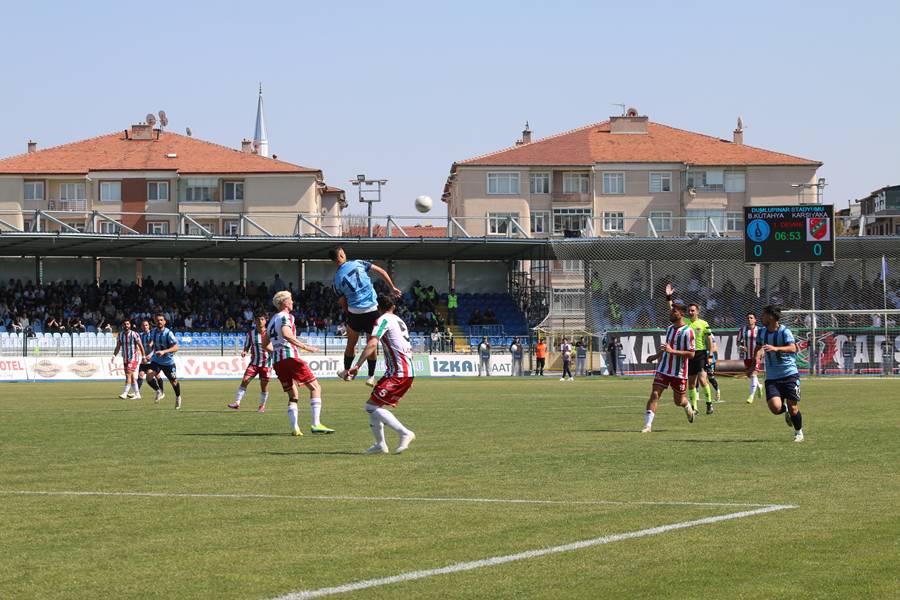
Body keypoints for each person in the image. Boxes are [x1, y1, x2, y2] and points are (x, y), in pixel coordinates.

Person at [348, 295, 416, 455]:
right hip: (401, 371)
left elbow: (372, 342)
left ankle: (404, 433)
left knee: (370, 406)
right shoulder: (400, 321)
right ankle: (380, 445)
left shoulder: (383, 320)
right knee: (374, 406)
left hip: (399, 372)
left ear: (378, 307)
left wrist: (357, 365)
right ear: (393, 306)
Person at [264, 290, 334, 436]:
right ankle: (316, 424)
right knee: (315, 387)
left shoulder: (271, 321)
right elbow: (287, 334)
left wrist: (277, 352)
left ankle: (295, 428)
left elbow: (265, 344)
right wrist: (307, 347)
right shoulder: (286, 317)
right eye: (290, 299)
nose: (292, 302)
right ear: (284, 302)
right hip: (290, 357)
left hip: (278, 361)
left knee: (293, 394)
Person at [329, 246, 401, 387]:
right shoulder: (358, 263)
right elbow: (382, 271)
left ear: (334, 260)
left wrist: (349, 312)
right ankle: (371, 376)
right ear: (342, 255)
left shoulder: (336, 280)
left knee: (351, 344)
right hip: (372, 310)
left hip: (355, 313)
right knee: (371, 343)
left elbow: (342, 301)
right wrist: (392, 287)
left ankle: (347, 372)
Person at [642, 300, 697, 433]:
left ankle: (687, 405)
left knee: (678, 401)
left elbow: (691, 354)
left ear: (681, 314)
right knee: (655, 394)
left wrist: (673, 351)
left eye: (675, 311)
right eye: (672, 310)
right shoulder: (670, 329)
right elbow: (667, 348)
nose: (671, 313)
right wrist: (656, 356)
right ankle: (648, 425)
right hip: (664, 368)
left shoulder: (688, 331)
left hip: (679, 372)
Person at [755, 305, 805, 442]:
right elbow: (759, 348)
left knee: (793, 407)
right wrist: (756, 361)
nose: (761, 317)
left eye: (763, 315)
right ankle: (786, 411)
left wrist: (776, 348)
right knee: (775, 408)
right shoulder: (761, 332)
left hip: (789, 374)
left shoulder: (784, 332)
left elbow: (793, 348)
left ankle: (798, 432)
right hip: (772, 377)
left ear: (770, 316)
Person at [666, 284, 714, 415]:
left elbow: (710, 340)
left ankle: (709, 404)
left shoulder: (703, 324)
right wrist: (669, 296)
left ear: (698, 311)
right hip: (688, 354)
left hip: (700, 353)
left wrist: (710, 355)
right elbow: (672, 309)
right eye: (690, 310)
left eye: (693, 310)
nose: (691, 312)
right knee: (691, 383)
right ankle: (694, 407)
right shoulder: (685, 321)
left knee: (703, 379)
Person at [228, 313, 271, 413]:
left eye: (262, 319)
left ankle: (262, 406)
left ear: (265, 321)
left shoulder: (270, 333)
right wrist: (244, 351)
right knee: (245, 380)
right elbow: (247, 346)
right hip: (254, 364)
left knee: (264, 386)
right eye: (257, 319)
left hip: (266, 364)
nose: (260, 321)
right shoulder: (250, 334)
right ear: (254, 321)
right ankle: (237, 402)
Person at [144, 313, 183, 409]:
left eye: (161, 320)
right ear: (155, 321)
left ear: (164, 322)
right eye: (157, 320)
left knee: (173, 382)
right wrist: (149, 355)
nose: (159, 322)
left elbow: (176, 347)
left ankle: (178, 397)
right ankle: (159, 391)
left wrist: (164, 351)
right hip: (156, 360)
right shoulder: (153, 332)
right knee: (149, 376)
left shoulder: (168, 333)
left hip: (168, 362)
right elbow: (154, 346)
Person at [112, 318, 145, 400]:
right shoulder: (120, 335)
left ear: (130, 325)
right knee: (132, 376)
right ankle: (137, 394)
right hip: (125, 358)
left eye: (127, 324)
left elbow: (140, 346)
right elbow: (118, 346)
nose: (126, 325)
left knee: (128, 374)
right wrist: (114, 355)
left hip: (133, 357)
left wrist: (143, 356)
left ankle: (125, 393)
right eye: (124, 324)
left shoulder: (134, 334)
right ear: (122, 325)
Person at [738, 312, 764, 404]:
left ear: (755, 320)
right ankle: (759, 386)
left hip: (757, 356)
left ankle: (751, 396)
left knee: (753, 374)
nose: (749, 319)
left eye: (751, 318)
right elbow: (738, 342)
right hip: (747, 356)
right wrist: (741, 347)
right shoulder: (742, 330)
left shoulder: (760, 330)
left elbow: (764, 342)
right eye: (748, 318)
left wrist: (762, 351)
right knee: (750, 375)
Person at [135, 319, 163, 399]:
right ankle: (137, 393)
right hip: (144, 359)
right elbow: (138, 345)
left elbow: (155, 347)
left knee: (157, 376)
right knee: (140, 375)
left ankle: (161, 391)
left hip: (152, 359)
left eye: (146, 325)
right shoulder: (140, 335)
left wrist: (150, 355)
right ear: (141, 327)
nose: (145, 327)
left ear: (149, 326)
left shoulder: (153, 335)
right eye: (143, 325)